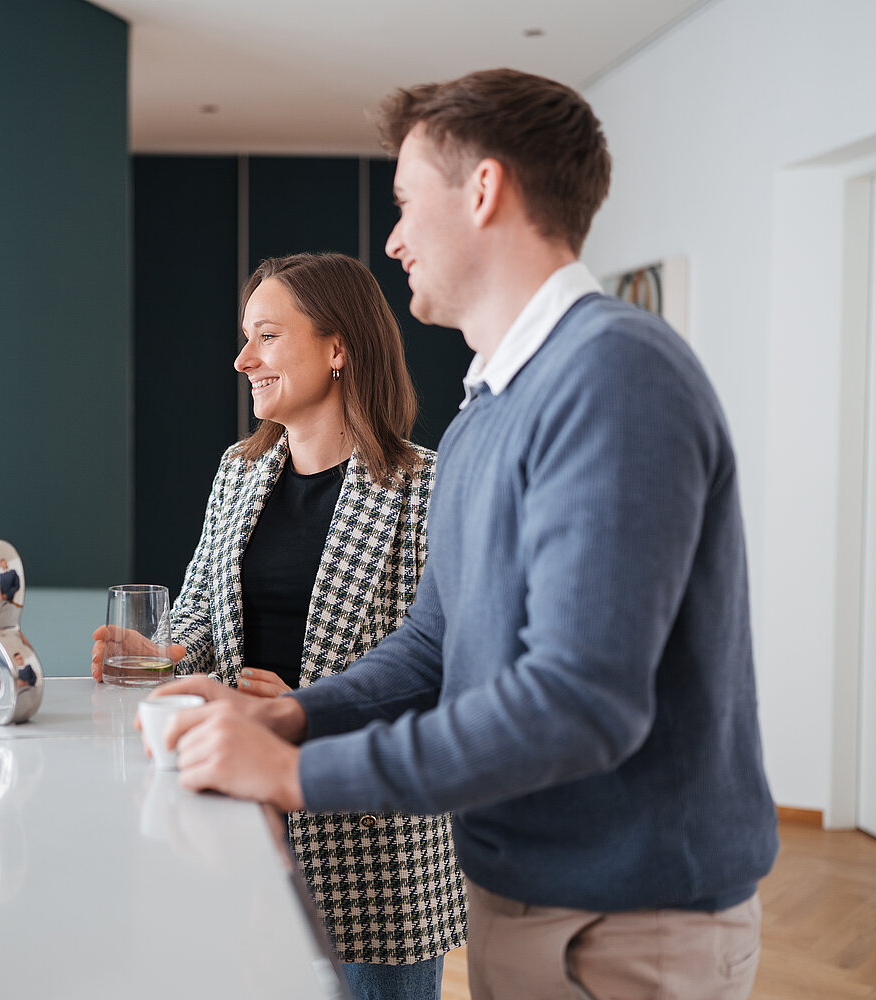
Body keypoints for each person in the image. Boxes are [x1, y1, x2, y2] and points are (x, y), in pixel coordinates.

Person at [156, 70, 779, 1000]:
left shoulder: (614, 376)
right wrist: (291, 715)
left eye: (407, 202)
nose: (394, 239)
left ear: (484, 190)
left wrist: (298, 772)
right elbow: (433, 645)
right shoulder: (488, 409)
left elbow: (580, 702)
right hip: (521, 891)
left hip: (627, 918)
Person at [93, 253, 464, 1000]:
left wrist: (307, 706)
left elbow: (439, 665)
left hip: (373, 844)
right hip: (240, 816)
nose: (243, 360)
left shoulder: (426, 486)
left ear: (338, 347)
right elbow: (200, 613)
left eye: (266, 336)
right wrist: (162, 654)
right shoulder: (238, 470)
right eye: (245, 337)